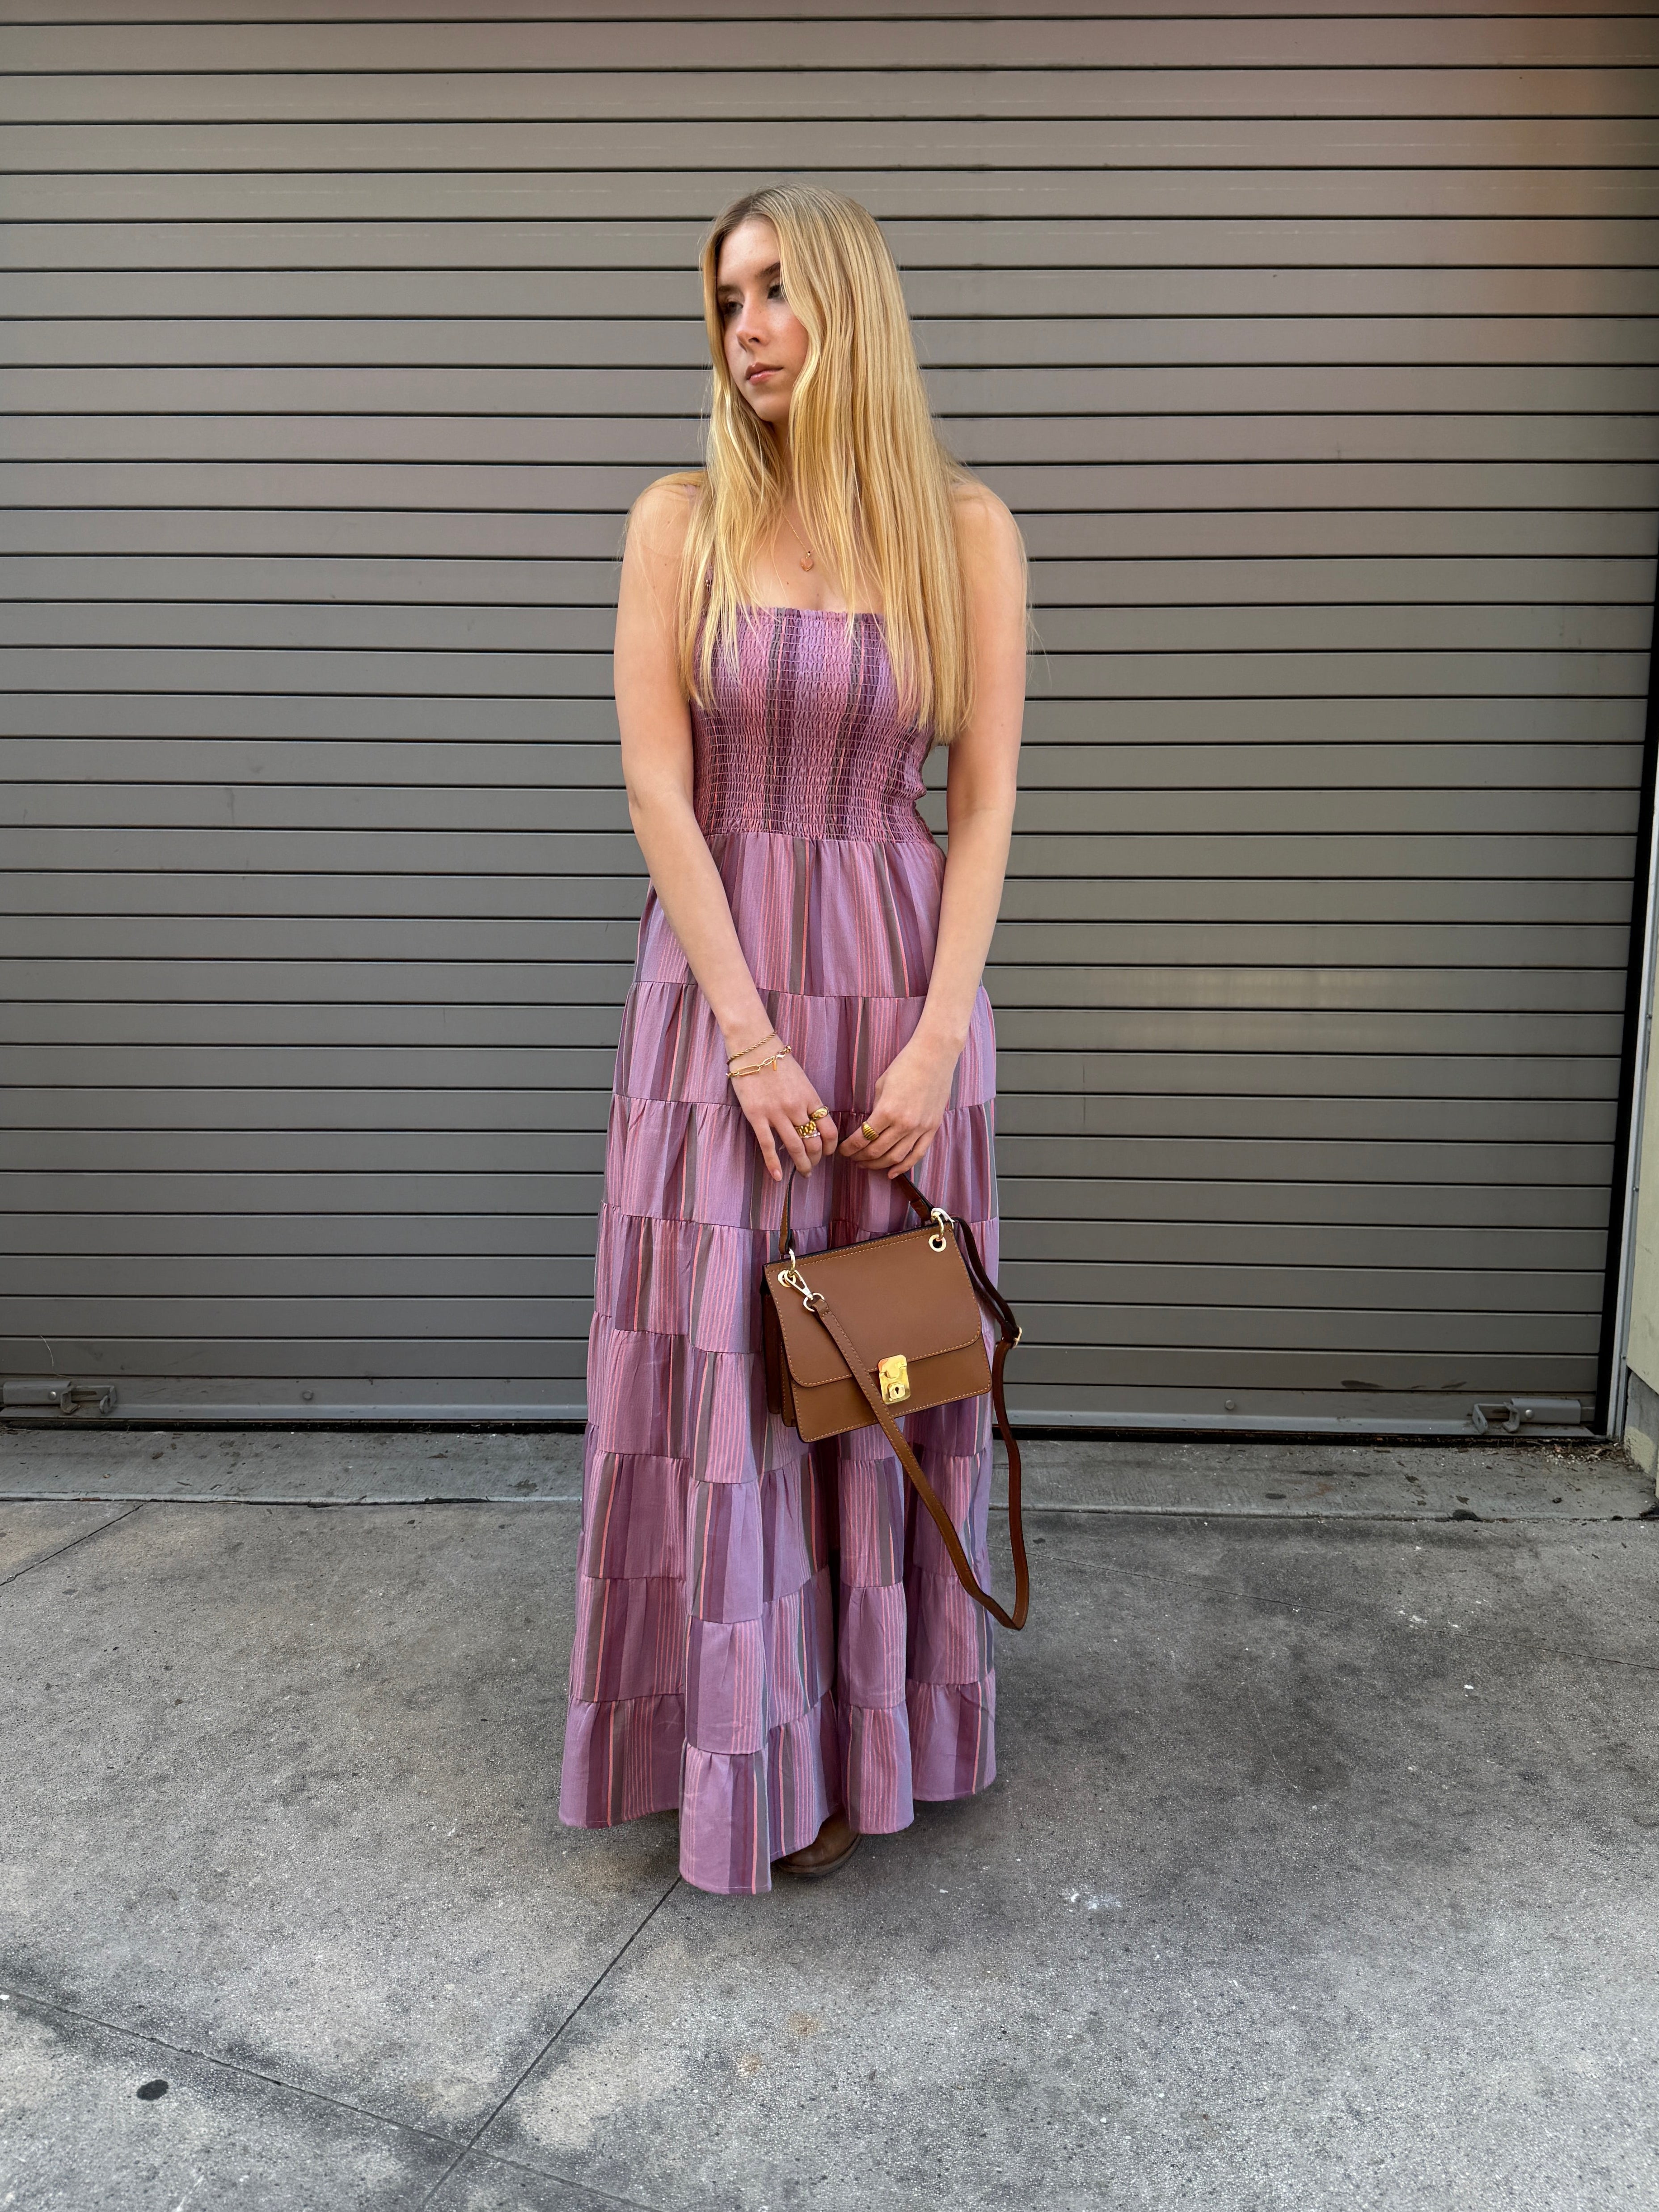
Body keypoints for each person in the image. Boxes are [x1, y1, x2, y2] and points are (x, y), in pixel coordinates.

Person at [558, 181, 1026, 1894]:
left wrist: (929, 1045)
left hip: (903, 992)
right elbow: (656, 787)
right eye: (725, 300)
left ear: (849, 302)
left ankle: (872, 1735)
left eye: (774, 291)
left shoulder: (965, 533)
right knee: (737, 1383)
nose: (746, 326)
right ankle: (747, 1750)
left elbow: (980, 816)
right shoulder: (676, 519)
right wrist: (749, 1041)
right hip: (722, 1004)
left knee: (880, 1367)